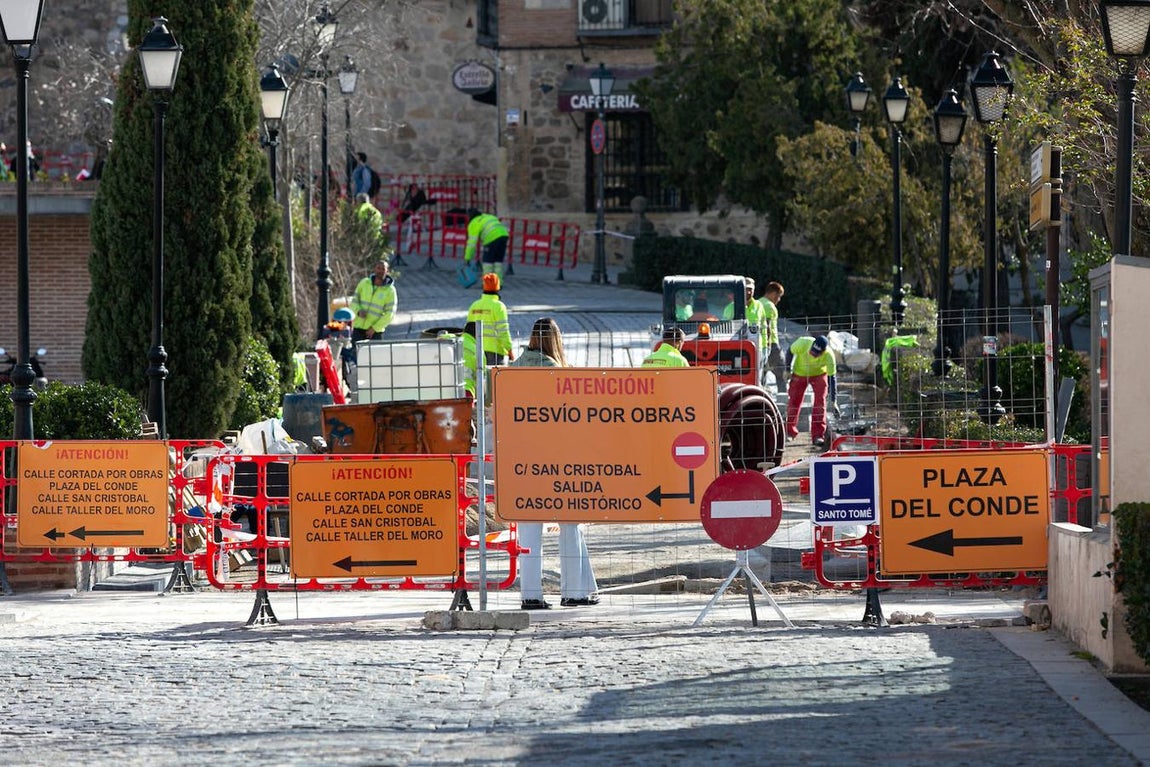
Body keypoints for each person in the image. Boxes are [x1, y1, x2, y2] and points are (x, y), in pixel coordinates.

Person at [511, 317, 599, 610]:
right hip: (558, 458)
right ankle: (574, 591)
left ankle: (531, 595)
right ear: (555, 341)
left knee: (528, 528)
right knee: (570, 523)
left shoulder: (512, 370)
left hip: (522, 457)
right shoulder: (557, 372)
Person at [785, 334, 840, 449]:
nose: (813, 355)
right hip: (800, 372)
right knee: (794, 401)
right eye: (812, 352)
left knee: (820, 403)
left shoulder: (829, 356)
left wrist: (833, 400)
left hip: (819, 374)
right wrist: (787, 369)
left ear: (824, 352)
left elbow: (832, 379)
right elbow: (789, 352)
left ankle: (818, 435)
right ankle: (789, 431)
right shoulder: (803, 343)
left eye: (817, 354)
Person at [350, 260, 397, 356]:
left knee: (374, 360)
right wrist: (358, 311)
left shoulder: (390, 291)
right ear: (374, 269)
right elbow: (354, 301)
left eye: (383, 269)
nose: (380, 271)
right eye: (378, 268)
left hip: (375, 333)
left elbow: (390, 314)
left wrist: (374, 328)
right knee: (356, 357)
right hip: (359, 328)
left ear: (387, 271)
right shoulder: (364, 283)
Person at [466, 272, 514, 365]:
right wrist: (509, 349)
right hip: (495, 351)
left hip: (476, 349)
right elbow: (503, 330)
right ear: (498, 287)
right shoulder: (499, 306)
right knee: (495, 378)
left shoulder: (474, 305)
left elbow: (468, 330)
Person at [464, 209, 510, 279]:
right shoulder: (488, 216)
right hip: (504, 236)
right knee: (498, 262)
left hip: (491, 238)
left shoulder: (474, 223)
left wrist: (468, 258)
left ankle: (489, 284)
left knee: (487, 262)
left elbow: (471, 244)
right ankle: (498, 283)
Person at [759, 281, 786, 393]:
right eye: (779, 296)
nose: (778, 300)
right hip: (772, 343)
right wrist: (770, 345)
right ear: (774, 293)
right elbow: (768, 326)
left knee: (762, 372)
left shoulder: (758, 303)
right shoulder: (770, 306)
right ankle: (783, 397)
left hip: (760, 343)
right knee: (782, 372)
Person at [354, 193, 385, 259]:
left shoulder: (360, 210)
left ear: (358, 201)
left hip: (365, 240)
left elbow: (359, 225)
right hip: (376, 239)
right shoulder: (377, 211)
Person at [743, 277, 768, 355]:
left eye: (750, 289)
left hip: (757, 349)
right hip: (739, 348)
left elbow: (764, 327)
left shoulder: (759, 305)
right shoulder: (731, 307)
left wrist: (765, 347)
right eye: (746, 289)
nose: (749, 292)